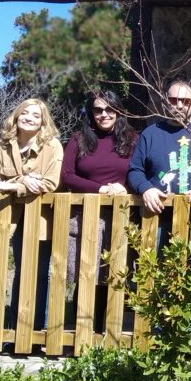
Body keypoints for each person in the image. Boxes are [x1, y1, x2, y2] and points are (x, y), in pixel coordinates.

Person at [127, 79, 191, 312]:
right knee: (155, 273)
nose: (179, 105)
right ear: (164, 101)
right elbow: (134, 170)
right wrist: (146, 188)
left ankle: (188, 332)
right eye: (173, 100)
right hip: (157, 219)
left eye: (185, 101)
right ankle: (156, 333)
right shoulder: (151, 133)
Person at [0, 98, 63, 330]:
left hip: (41, 219)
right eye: (25, 113)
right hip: (10, 218)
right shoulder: (1, 146)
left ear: (43, 122)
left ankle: (37, 329)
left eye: (36, 115)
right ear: (17, 116)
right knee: (20, 270)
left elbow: (49, 183)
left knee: (40, 272)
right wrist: (24, 181)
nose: (30, 118)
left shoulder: (52, 146)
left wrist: (13, 185)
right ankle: (16, 329)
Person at [61, 90, 137, 287]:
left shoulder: (133, 140)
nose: (104, 114)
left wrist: (125, 188)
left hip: (122, 215)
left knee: (115, 276)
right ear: (91, 113)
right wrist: (101, 189)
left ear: (118, 111)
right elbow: (67, 175)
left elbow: (141, 172)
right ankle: (81, 319)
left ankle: (109, 319)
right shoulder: (79, 139)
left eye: (110, 109)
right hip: (85, 216)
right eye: (98, 110)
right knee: (85, 276)